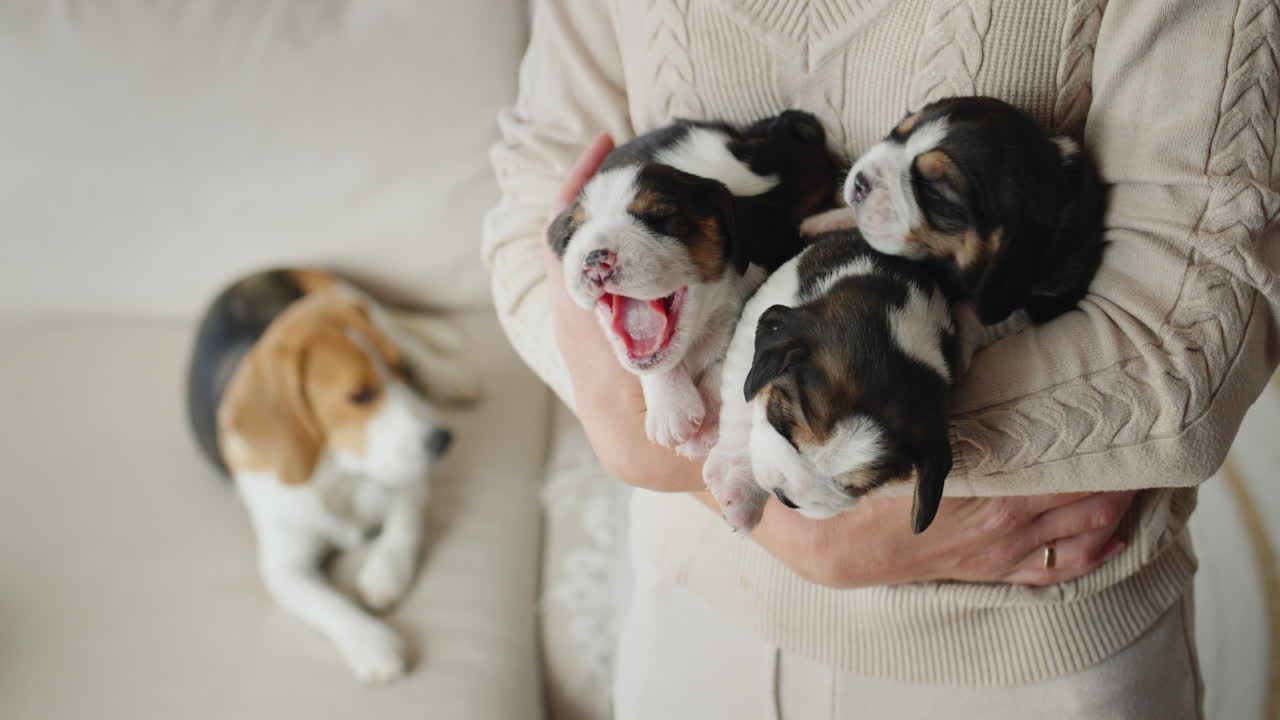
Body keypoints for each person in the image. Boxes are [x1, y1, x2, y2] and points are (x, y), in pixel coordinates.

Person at [482, 1, 1280, 717]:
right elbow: (533, 206)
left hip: (1032, 647)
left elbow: (1184, 352)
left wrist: (736, 466)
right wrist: (676, 459)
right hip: (696, 616)